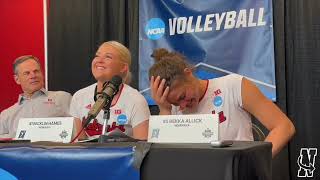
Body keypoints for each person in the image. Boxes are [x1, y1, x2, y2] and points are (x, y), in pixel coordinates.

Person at [149, 48, 295, 157]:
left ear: (188, 73)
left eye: (182, 97)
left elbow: (283, 126)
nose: (182, 106)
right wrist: (165, 110)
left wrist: (256, 162)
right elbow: (165, 159)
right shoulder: (171, 109)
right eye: (175, 104)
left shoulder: (233, 85)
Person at [69, 41, 150, 140]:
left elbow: (142, 146)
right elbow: (78, 143)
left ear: (123, 67)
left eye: (108, 57)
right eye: (97, 56)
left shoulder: (136, 100)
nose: (99, 60)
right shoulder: (79, 97)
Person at [0, 55, 72, 138]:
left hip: (58, 150)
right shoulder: (7, 114)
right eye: (27, 73)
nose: (33, 76)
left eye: (36, 71)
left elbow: (79, 130)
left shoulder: (62, 98)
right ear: (17, 79)